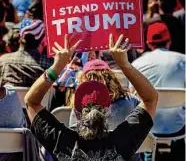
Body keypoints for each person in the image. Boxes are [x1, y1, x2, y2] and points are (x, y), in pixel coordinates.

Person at [25, 34, 158, 161]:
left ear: (77, 114)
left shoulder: (62, 143)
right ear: (108, 111)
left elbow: (31, 102)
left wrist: (57, 66)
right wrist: (124, 64)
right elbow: (150, 99)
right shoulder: (122, 143)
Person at [130, 22, 185, 161]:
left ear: (148, 43)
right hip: (178, 126)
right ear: (169, 41)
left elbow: (131, 97)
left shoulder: (136, 65)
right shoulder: (183, 60)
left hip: (149, 129)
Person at [0, 19, 53, 87]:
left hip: (9, 98)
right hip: (39, 98)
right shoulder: (50, 65)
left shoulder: (4, 61)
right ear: (42, 40)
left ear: (20, 38)